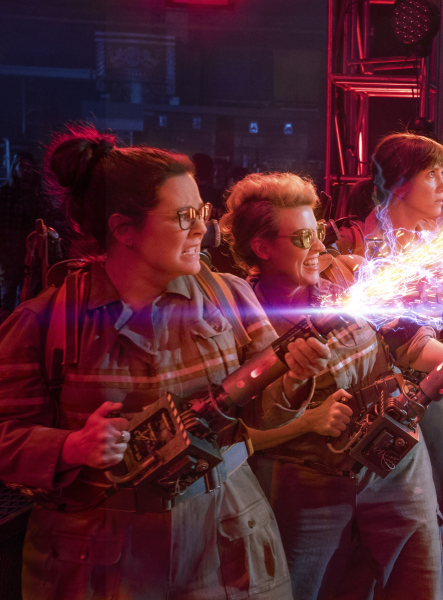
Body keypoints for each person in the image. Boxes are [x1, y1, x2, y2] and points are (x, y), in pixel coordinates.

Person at [0, 125, 323, 600]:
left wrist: (294, 376)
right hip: (99, 558)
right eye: (184, 216)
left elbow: (264, 413)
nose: (202, 229)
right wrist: (71, 446)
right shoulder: (44, 321)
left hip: (225, 540)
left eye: (203, 212)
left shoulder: (230, 298)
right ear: (124, 230)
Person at [219, 171, 443, 600]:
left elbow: (408, 343)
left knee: (420, 578)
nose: (318, 249)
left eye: (317, 233)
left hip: (394, 461)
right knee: (304, 587)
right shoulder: (243, 318)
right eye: (302, 239)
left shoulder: (346, 279)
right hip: (308, 478)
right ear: (262, 247)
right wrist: (305, 419)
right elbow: (233, 429)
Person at [353, 132, 443, 600]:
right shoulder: (361, 246)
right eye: (433, 175)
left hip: (437, 386)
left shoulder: (439, 245)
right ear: (400, 183)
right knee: (394, 523)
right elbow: (397, 340)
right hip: (382, 395)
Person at [0, 153, 45, 316]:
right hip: (10, 252)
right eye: (22, 166)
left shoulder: (40, 196)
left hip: (32, 254)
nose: (26, 170)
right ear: (15, 168)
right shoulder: (4, 193)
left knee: (28, 297)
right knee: (7, 296)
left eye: (29, 167)